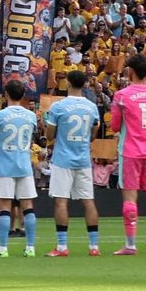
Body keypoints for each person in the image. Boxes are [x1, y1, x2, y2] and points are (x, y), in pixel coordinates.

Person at [109, 53, 146, 255]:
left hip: (130, 151)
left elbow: (115, 125)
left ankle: (131, 245)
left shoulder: (122, 96)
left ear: (130, 71)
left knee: (130, 198)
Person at [43, 68, 103, 256]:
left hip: (63, 159)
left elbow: (49, 136)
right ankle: (94, 247)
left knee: (61, 201)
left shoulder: (58, 107)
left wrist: (48, 127)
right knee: (88, 201)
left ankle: (62, 246)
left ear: (67, 83)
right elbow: (94, 133)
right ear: (85, 84)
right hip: (83, 159)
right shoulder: (91, 107)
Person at [0, 80, 41, 258]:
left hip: (5, 165)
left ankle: (3, 248)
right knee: (28, 207)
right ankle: (31, 247)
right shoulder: (31, 116)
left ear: (6, 94)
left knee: (4, 207)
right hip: (24, 164)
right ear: (23, 95)